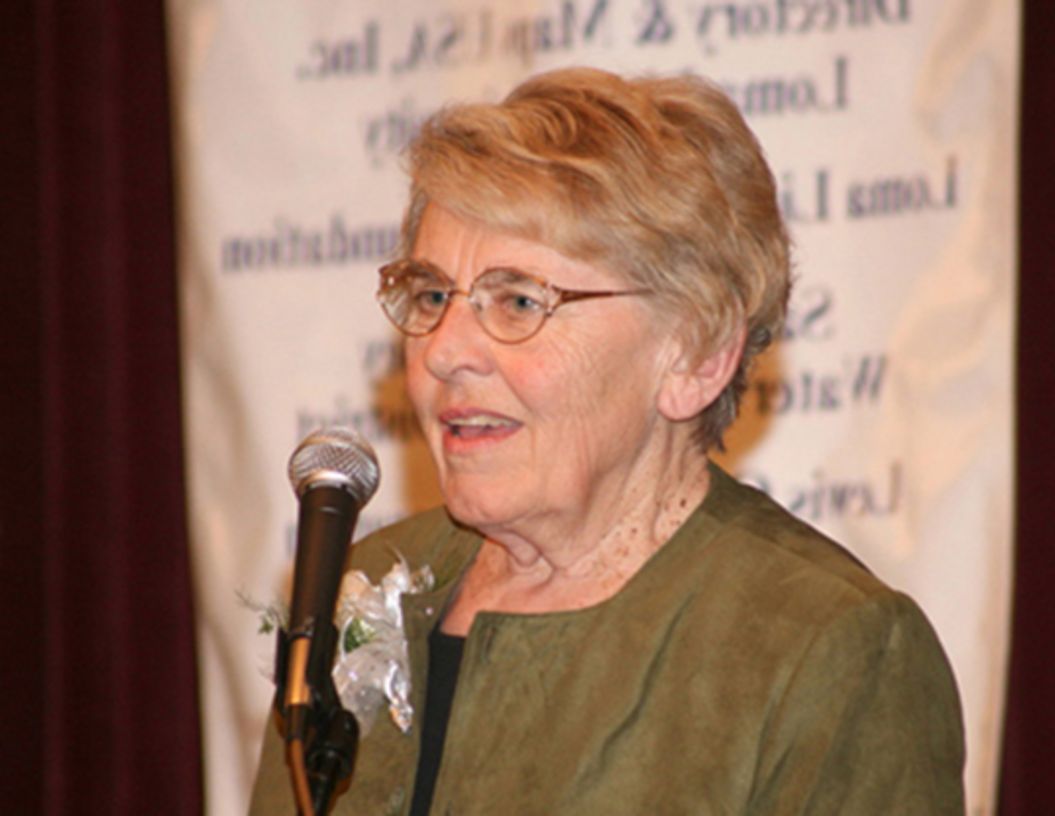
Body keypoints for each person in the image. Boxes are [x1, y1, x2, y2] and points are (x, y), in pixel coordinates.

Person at [250, 67, 964, 815]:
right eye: (432, 295)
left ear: (696, 354)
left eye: (518, 300)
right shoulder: (353, 586)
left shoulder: (826, 650)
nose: (444, 351)